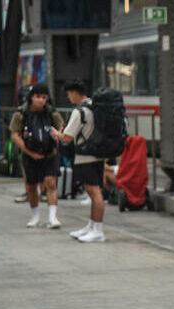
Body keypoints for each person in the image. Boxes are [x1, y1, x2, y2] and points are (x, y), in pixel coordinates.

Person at [52, 80, 106, 243]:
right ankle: (92, 226)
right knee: (94, 192)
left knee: (94, 192)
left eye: (69, 94)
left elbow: (67, 137)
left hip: (85, 156)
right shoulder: (95, 105)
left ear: (75, 93)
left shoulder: (80, 111)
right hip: (98, 154)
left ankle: (98, 230)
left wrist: (56, 134)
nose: (69, 98)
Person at [9, 83, 64, 228]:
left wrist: (57, 134)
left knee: (51, 183)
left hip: (50, 154)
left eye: (44, 97)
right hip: (29, 155)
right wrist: (30, 153)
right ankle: (35, 216)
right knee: (31, 186)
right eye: (38, 97)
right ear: (31, 97)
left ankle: (53, 217)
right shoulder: (21, 113)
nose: (41, 100)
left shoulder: (52, 112)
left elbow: (61, 127)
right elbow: (15, 135)